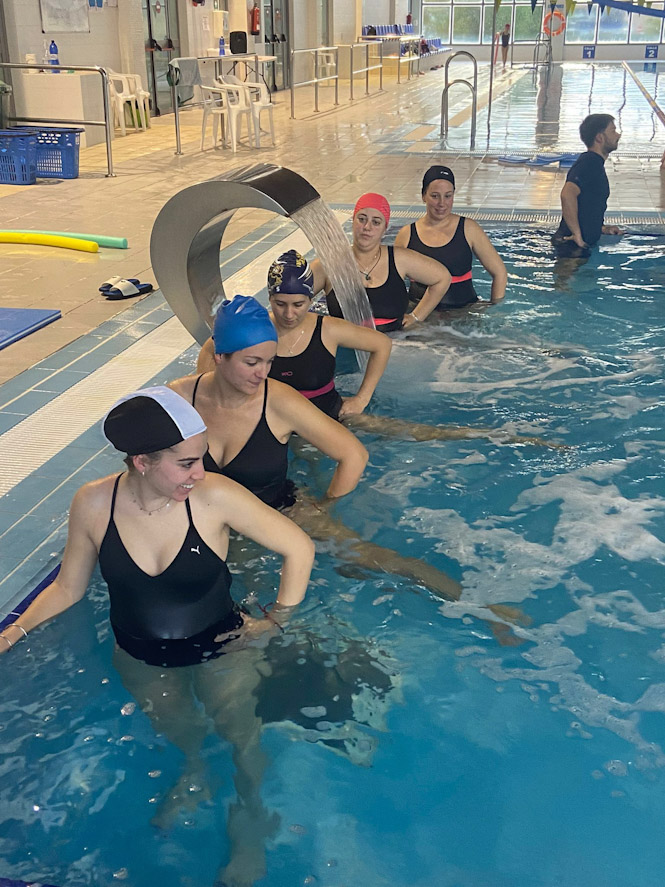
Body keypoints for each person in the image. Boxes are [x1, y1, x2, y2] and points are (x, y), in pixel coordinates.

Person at [0, 386, 315, 886]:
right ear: (142, 461)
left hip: (223, 646)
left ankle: (251, 823)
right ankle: (195, 774)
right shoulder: (93, 503)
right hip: (140, 656)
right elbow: (67, 588)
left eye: (201, 459)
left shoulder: (215, 498)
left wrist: (277, 620)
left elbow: (299, 549)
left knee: (241, 740)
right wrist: (13, 632)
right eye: (187, 463)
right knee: (185, 735)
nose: (200, 472)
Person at [171, 294, 369, 508]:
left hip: (281, 513)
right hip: (203, 522)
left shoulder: (279, 400)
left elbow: (354, 455)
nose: (263, 374)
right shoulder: (178, 399)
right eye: (252, 363)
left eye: (269, 362)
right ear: (220, 356)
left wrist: (326, 509)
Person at [319, 192, 452, 331]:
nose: (367, 227)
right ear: (353, 221)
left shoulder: (399, 259)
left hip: (395, 343)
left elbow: (442, 278)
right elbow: (295, 294)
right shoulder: (330, 264)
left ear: (385, 229)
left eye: (376, 222)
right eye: (362, 219)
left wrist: (416, 317)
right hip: (345, 345)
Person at [394, 165, 507, 308]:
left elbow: (500, 272)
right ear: (423, 196)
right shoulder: (407, 235)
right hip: (422, 319)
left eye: (448, 196)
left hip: (464, 313)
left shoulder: (469, 229)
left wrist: (495, 310)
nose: (442, 203)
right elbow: (393, 283)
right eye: (435, 196)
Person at [552, 113, 622, 260]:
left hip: (577, 245)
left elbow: (587, 203)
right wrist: (577, 235)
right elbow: (567, 194)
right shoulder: (589, 163)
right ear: (600, 138)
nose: (618, 134)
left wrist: (601, 228)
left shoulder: (594, 163)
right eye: (613, 130)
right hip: (571, 246)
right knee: (564, 283)